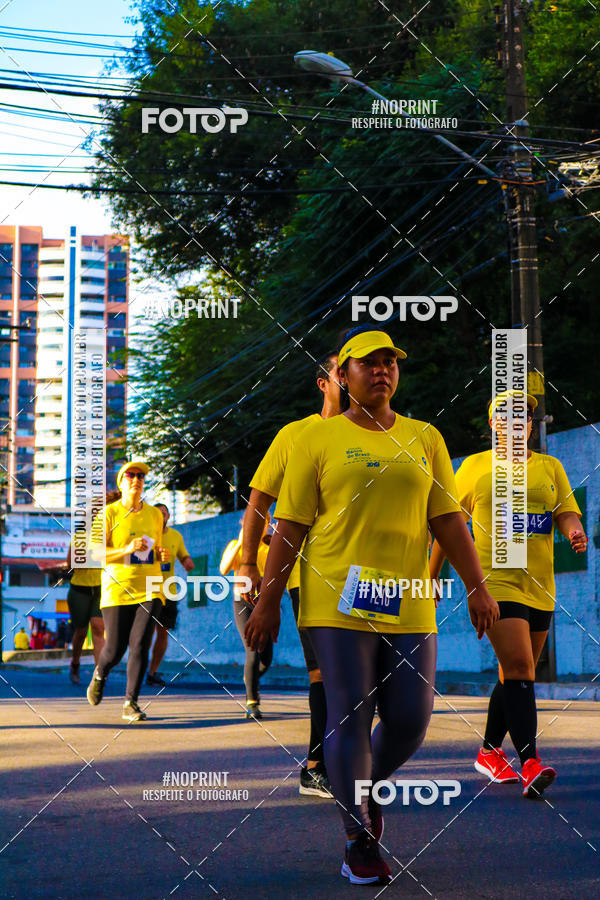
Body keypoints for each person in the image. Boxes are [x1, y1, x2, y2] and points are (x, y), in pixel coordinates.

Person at [246, 328, 498, 885]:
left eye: (390, 363)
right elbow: (289, 527)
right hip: (335, 594)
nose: (382, 371)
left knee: (410, 719)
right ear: (344, 375)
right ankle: (357, 836)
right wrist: (266, 600)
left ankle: (360, 787)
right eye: (369, 363)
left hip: (407, 597)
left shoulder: (425, 437)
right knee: (350, 714)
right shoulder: (316, 440)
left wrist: (477, 585)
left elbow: (448, 519)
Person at [430, 390, 587, 798]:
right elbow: (447, 525)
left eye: (525, 417)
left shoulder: (550, 467)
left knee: (515, 673)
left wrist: (573, 529)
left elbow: (565, 509)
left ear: (531, 426)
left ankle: (487, 751)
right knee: (519, 667)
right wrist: (430, 578)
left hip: (539, 585)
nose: (518, 422)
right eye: (508, 415)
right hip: (493, 580)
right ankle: (530, 762)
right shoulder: (475, 468)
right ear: (494, 424)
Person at [240, 351, 340, 795]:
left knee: (371, 675)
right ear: (325, 383)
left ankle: (348, 757)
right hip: (312, 575)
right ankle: (317, 764)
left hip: (374, 577)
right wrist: (247, 564)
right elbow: (260, 501)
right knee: (324, 672)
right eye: (344, 371)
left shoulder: (387, 435)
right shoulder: (296, 435)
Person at [86, 461, 169, 722]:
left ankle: (130, 703)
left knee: (141, 643)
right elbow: (95, 553)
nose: (137, 479)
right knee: (115, 648)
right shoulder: (108, 514)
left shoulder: (155, 514)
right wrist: (126, 548)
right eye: (131, 475)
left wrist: (161, 554)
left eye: (141, 476)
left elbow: (155, 550)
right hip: (117, 588)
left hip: (150, 587)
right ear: (121, 482)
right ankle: (100, 673)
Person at [65, 490, 120, 685]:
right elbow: (70, 563)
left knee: (98, 628)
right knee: (80, 631)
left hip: (101, 587)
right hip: (80, 588)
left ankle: (99, 675)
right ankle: (75, 663)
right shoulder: (81, 535)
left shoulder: (112, 535)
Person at [222, 514, 273, 719]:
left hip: (264, 605)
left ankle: (249, 678)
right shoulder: (237, 545)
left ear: (268, 526)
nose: (259, 526)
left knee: (266, 659)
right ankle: (252, 703)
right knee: (252, 650)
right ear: (246, 524)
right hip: (242, 603)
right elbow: (224, 569)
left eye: (264, 523)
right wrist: (243, 542)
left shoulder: (270, 548)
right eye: (255, 522)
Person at [146, 503, 194, 687]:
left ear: (168, 517)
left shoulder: (176, 536)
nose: (161, 516)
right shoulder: (147, 537)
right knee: (145, 632)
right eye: (157, 514)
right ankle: (140, 667)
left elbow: (184, 557)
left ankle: (152, 672)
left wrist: (188, 562)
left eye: (164, 514)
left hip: (168, 592)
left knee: (163, 633)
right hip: (148, 590)